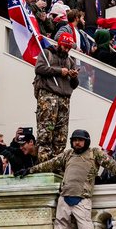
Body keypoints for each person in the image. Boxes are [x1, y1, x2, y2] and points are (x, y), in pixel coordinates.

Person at [34, 33, 79, 163]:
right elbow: (39, 68)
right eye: (65, 47)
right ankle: (43, 163)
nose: (67, 50)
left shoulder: (70, 61)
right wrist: (59, 71)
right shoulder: (47, 54)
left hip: (64, 100)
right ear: (59, 44)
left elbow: (74, 85)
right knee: (45, 133)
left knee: (61, 136)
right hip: (48, 97)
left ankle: (57, 165)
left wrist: (74, 76)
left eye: (69, 48)